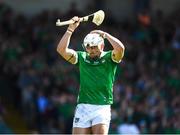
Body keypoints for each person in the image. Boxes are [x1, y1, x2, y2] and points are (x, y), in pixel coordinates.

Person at [57, 16, 125, 134]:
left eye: (95, 48)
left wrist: (106, 35)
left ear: (102, 46)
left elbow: (121, 49)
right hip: (83, 107)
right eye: (89, 48)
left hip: (102, 107)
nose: (92, 51)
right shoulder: (82, 57)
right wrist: (70, 29)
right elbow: (61, 50)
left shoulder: (110, 57)